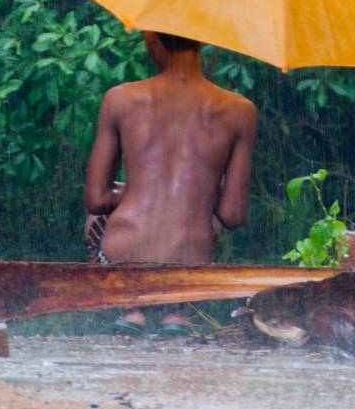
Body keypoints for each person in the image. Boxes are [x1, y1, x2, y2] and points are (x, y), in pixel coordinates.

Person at [83, 31, 257, 333]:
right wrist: (193, 193)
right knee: (208, 224)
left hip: (123, 260)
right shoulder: (240, 111)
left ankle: (131, 309)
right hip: (189, 265)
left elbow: (97, 199)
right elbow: (231, 215)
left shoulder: (120, 98)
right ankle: (177, 313)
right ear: (202, 41)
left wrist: (137, 190)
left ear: (152, 40)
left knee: (94, 219)